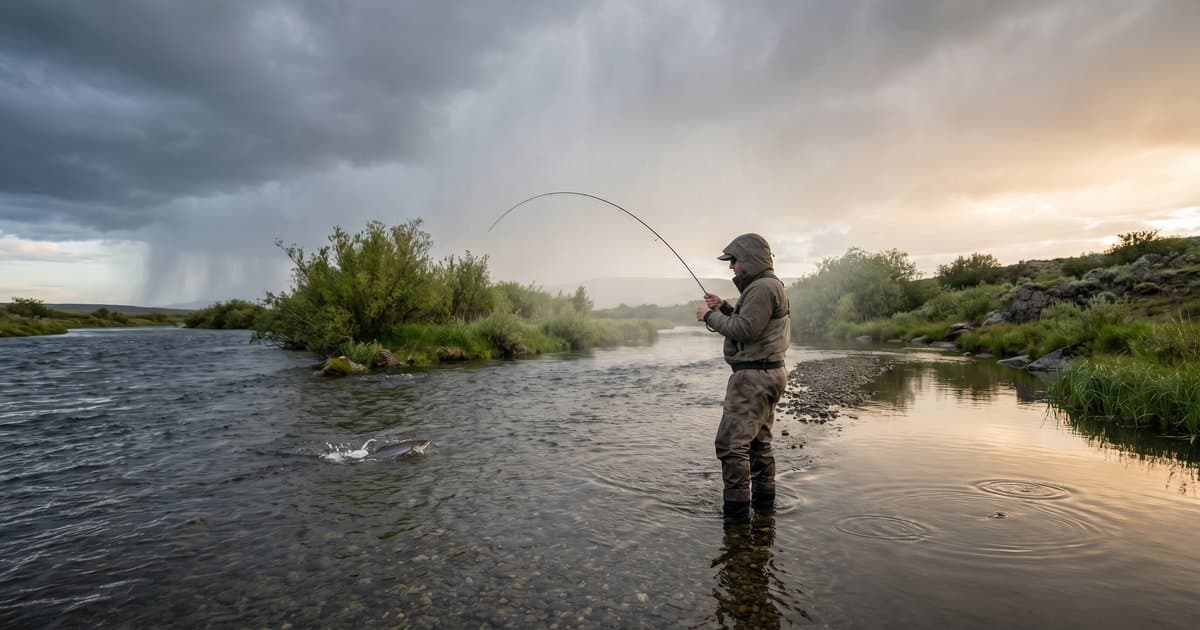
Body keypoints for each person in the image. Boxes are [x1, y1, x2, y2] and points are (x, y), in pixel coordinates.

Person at [695, 233, 790, 520]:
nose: (731, 266)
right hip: (768, 373)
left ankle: (736, 520)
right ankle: (764, 511)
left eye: (734, 260)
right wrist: (724, 307)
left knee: (731, 446)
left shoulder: (762, 288)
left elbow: (745, 330)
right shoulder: (768, 285)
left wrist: (709, 316)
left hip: (754, 379)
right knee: (758, 445)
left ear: (749, 259)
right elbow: (750, 321)